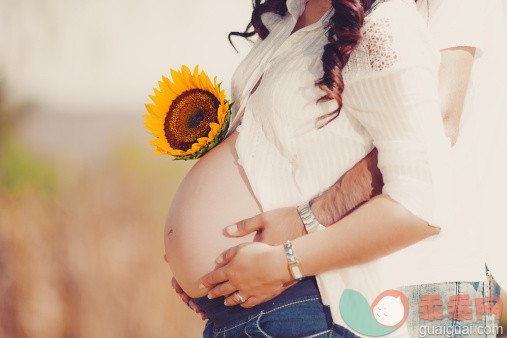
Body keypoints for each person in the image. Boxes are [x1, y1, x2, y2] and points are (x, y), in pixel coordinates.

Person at [189, 0, 507, 336]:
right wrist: (210, 268)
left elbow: (437, 133)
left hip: (426, 272)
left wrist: (305, 222)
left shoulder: (391, 25)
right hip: (341, 270)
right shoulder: (302, 17)